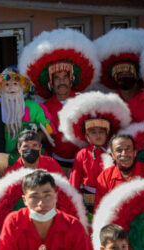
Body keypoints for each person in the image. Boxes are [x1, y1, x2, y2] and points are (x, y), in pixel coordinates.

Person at [18, 29, 100, 177]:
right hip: (57, 165)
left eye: (65, 77)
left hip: (85, 164)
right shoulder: (44, 107)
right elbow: (41, 136)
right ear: (51, 82)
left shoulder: (85, 103)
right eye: (57, 78)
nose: (62, 81)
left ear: (71, 80)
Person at [58, 91, 131, 212]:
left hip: (108, 197)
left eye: (101, 132)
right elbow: (75, 179)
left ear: (107, 134)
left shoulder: (113, 153)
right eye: (93, 132)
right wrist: (72, 201)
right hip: (88, 199)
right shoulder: (82, 154)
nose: (98, 135)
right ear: (87, 135)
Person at [0, 169, 92, 250]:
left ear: (56, 196)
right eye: (34, 197)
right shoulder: (13, 223)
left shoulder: (73, 226)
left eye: (47, 195)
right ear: (24, 200)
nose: (41, 203)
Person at [0, 67, 54, 156]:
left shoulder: (33, 107)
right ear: (1, 89)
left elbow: (48, 129)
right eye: (6, 84)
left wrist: (31, 139)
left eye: (15, 84)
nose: (11, 87)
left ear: (21, 87)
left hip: (33, 156)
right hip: (8, 158)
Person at [94, 134, 144, 209]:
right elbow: (100, 210)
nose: (124, 154)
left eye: (128, 149)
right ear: (112, 155)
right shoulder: (105, 176)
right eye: (119, 150)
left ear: (135, 152)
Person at [94, 28, 144, 102]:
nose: (124, 76)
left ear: (137, 75)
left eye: (128, 72)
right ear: (113, 77)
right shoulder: (108, 103)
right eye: (120, 74)